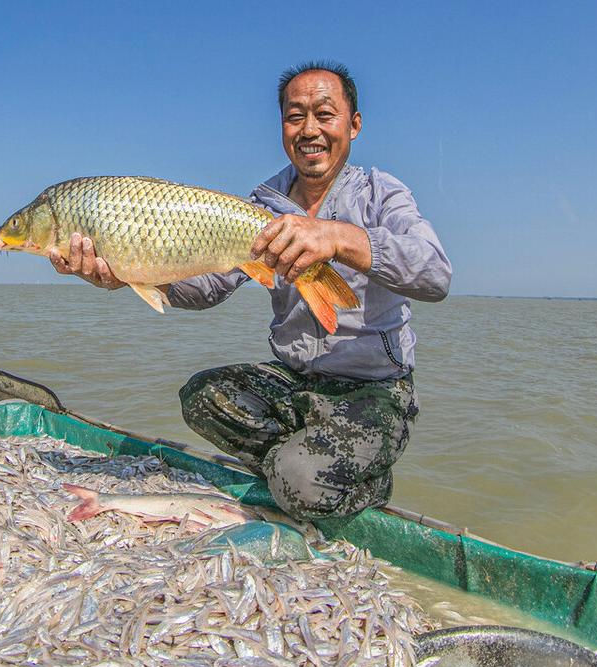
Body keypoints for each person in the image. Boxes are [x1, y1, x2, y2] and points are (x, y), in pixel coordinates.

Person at [49, 62, 451, 521]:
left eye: (325, 114)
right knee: (201, 396)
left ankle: (346, 478)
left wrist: (337, 238)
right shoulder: (262, 205)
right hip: (295, 380)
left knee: (301, 488)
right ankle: (309, 465)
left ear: (354, 125)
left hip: (375, 389)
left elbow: (435, 274)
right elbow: (209, 287)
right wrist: (126, 271)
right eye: (295, 116)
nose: (310, 129)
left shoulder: (382, 193)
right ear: (282, 126)